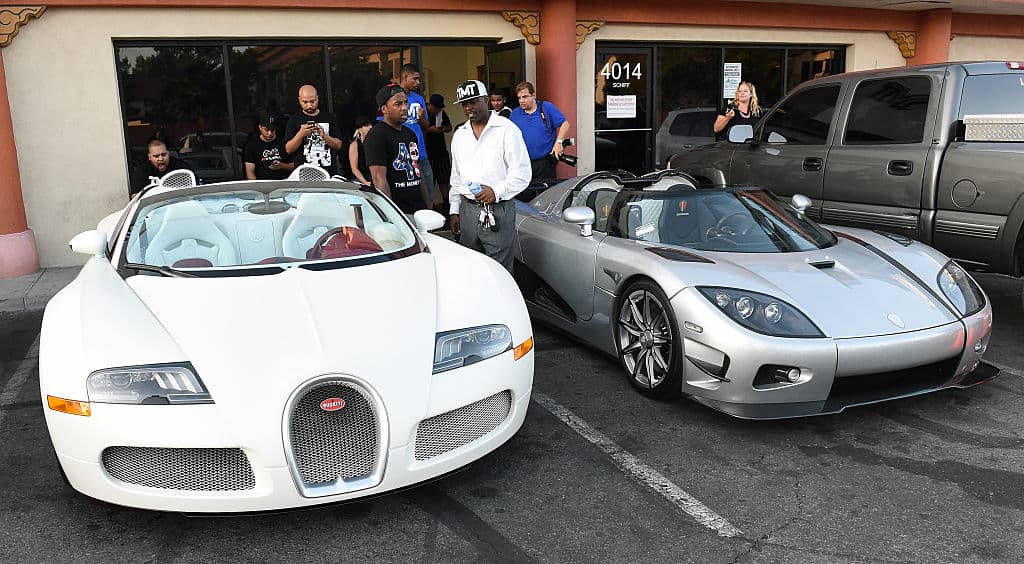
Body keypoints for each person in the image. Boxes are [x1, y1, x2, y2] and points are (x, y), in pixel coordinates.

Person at [448, 80, 531, 272]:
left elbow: (522, 173)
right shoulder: (460, 135)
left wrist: (496, 191)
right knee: (471, 267)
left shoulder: (507, 130)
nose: (468, 106)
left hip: (498, 210)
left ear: (486, 100)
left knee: (499, 270)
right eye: (464, 103)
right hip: (468, 210)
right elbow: (456, 177)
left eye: (473, 101)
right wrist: (454, 209)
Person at [364, 83, 431, 214]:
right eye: (398, 104)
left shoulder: (410, 134)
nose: (404, 108)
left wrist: (428, 207)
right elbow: (379, 180)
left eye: (406, 103)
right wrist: (392, 216)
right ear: (384, 109)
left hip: (419, 210)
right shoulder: (377, 135)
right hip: (398, 212)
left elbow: (418, 171)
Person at [509, 81, 571, 182]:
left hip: (545, 162)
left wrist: (558, 143)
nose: (521, 101)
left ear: (533, 95)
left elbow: (565, 124)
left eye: (525, 97)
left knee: (547, 194)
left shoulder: (546, 107)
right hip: (524, 163)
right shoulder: (515, 114)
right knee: (525, 195)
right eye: (519, 98)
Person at [396, 64, 435, 207]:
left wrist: (422, 117)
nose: (418, 83)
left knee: (429, 192)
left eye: (419, 79)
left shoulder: (418, 98)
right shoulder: (391, 97)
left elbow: (426, 126)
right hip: (401, 156)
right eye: (415, 79)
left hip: (421, 154)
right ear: (405, 78)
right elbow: (383, 124)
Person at [284, 84, 343, 172]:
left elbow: (339, 145)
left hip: (328, 172)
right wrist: (300, 135)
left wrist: (324, 136)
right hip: (303, 173)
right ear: (299, 100)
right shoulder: (294, 120)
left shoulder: (329, 118)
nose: (309, 105)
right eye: (305, 102)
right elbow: (288, 150)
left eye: (312, 101)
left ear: (317, 98)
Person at [129, 138, 194, 196]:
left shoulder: (181, 167)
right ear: (149, 157)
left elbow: (194, 189)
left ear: (168, 153)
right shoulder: (141, 171)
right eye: (156, 156)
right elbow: (135, 196)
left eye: (163, 154)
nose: (161, 158)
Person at [244, 113, 294, 180]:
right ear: (260, 127)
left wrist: (282, 166)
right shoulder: (252, 146)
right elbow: (250, 174)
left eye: (272, 130)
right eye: (266, 130)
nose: (270, 133)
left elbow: (296, 165)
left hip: (283, 181)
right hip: (262, 183)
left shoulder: (284, 142)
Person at [425, 93, 452, 210]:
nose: (437, 110)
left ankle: (446, 202)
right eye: (435, 107)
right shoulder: (423, 113)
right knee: (429, 181)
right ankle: (430, 204)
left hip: (441, 151)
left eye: (439, 108)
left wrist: (442, 129)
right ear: (430, 105)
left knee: (444, 178)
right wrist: (429, 130)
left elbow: (449, 127)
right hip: (427, 152)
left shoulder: (441, 112)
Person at [347, 115, 374, 185]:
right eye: (366, 125)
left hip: (372, 179)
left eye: (371, 125)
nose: (370, 127)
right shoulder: (354, 145)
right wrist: (365, 182)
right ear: (359, 128)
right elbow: (354, 169)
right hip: (359, 181)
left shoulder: (374, 143)